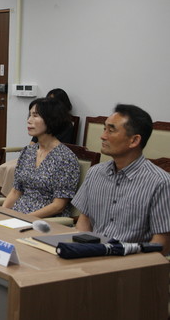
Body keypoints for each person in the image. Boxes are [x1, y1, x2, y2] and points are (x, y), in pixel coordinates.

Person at [73, 104, 170, 254]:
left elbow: (162, 242)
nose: (103, 136)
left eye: (111, 130)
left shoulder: (160, 182)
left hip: (132, 262)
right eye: (104, 129)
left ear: (134, 140)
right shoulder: (95, 173)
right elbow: (84, 222)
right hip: (92, 255)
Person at [3, 98, 80, 217]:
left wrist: (25, 219)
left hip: (44, 220)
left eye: (35, 116)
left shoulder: (66, 158)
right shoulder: (28, 152)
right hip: (17, 215)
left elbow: (59, 206)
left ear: (51, 119)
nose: (29, 120)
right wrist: (1, 214)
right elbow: (15, 192)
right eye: (29, 115)